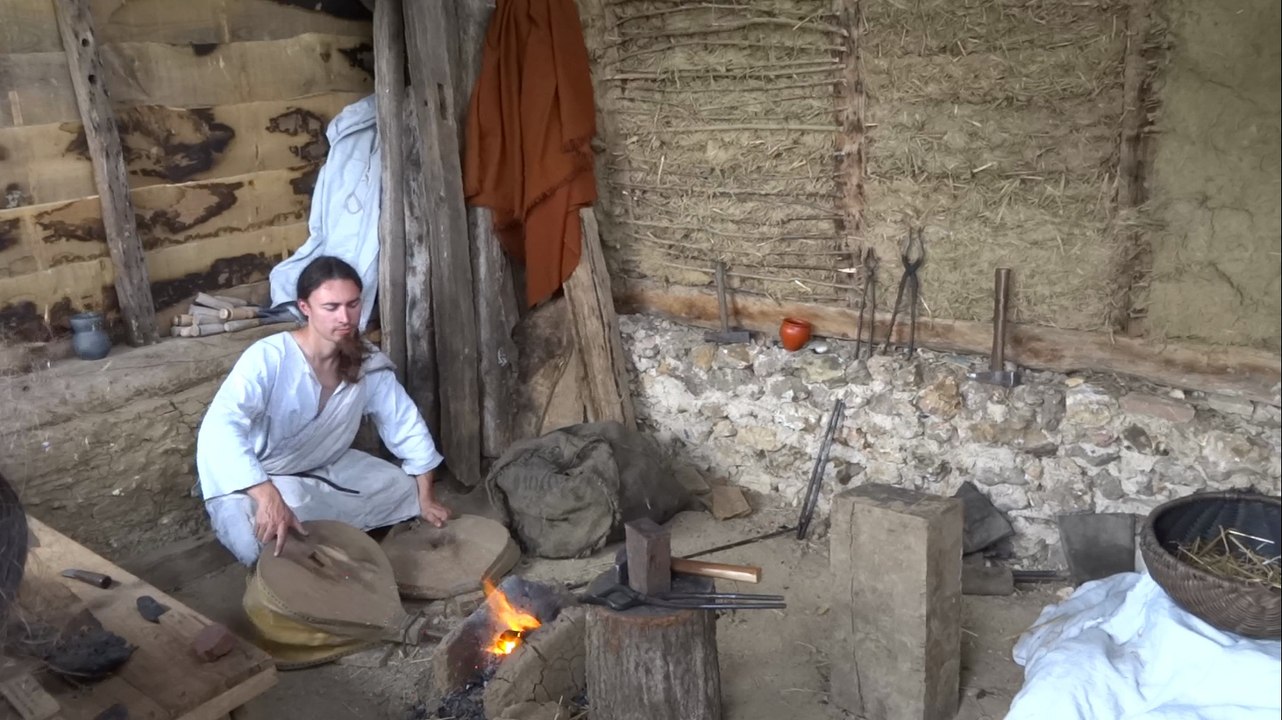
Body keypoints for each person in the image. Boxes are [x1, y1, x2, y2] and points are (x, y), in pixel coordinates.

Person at [195, 256, 451, 565]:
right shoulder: (269, 358)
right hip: (257, 477)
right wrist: (266, 494)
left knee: (401, 488)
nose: (345, 317)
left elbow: (404, 423)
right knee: (254, 537)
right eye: (331, 307)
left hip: (324, 467)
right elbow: (221, 427)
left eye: (353, 304)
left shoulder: (366, 360)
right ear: (305, 307)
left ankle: (317, 535)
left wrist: (425, 498)